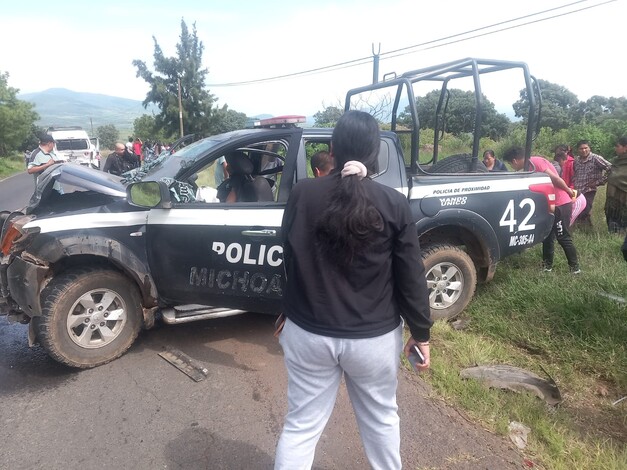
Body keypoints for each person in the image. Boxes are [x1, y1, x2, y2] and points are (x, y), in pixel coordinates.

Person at [275, 110, 432, 469]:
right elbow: (411, 274)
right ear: (375, 153)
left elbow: (288, 257)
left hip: (308, 334)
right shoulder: (393, 203)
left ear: (332, 149)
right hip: (373, 341)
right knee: (381, 422)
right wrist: (421, 332)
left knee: (300, 428)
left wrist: (287, 310)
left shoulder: (303, 194)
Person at [503, 147, 580, 273]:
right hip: (549, 204)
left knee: (563, 237)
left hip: (560, 203)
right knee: (547, 236)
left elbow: (554, 179)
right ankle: (547, 267)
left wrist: (569, 191)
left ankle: (575, 269)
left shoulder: (535, 162)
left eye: (510, 164)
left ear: (514, 161)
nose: (512, 167)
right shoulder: (528, 167)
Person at [572, 140, 612, 227]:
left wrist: (599, 182)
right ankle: (587, 230)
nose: (583, 150)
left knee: (585, 210)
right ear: (578, 150)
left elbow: (611, 169)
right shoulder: (576, 160)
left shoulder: (595, 158)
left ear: (589, 148)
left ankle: (583, 229)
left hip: (589, 189)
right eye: (581, 148)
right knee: (576, 210)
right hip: (577, 190)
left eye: (586, 148)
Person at [605, 137, 627, 233]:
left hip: (624, 200)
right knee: (613, 223)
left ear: (625, 147)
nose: (615, 148)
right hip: (613, 200)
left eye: (618, 146)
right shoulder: (615, 161)